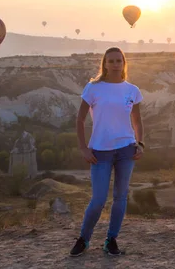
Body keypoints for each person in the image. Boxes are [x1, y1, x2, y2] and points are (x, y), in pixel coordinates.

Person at [69, 47, 145, 257]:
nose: (114, 64)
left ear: (124, 63)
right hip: (100, 151)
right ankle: (83, 239)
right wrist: (83, 148)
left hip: (126, 150)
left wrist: (140, 144)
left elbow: (137, 120)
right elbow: (80, 119)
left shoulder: (132, 90)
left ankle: (111, 240)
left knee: (121, 197)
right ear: (104, 63)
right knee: (99, 199)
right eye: (110, 61)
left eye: (118, 61)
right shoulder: (93, 88)